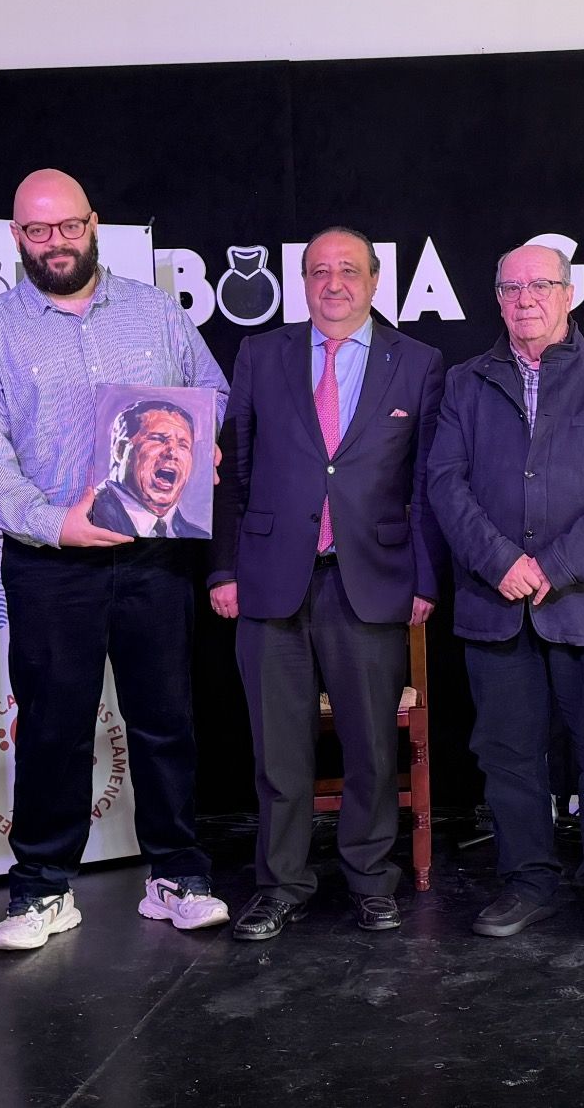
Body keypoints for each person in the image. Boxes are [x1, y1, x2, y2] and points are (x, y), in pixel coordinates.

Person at [0, 168, 230, 951]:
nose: (55, 243)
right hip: (50, 562)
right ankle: (41, 891)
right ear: (15, 237)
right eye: (38, 231)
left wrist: (203, 442)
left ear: (93, 223)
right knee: (51, 729)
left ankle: (178, 876)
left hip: (153, 556)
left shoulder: (152, 311)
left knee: (166, 720)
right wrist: (53, 522)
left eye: (68, 226)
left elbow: (214, 391)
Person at [210, 226, 445, 940]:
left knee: (372, 747)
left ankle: (372, 882)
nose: (333, 283)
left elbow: (428, 483)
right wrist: (224, 567)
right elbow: (230, 470)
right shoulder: (261, 354)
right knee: (278, 749)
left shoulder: (421, 362)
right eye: (319, 271)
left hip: (371, 578)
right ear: (302, 282)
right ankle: (282, 885)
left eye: (348, 271)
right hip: (270, 581)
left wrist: (425, 578)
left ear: (375, 282)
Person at [428, 244, 584, 942]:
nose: (525, 298)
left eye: (540, 285)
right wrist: (500, 561)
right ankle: (526, 879)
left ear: (570, 294)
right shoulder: (466, 383)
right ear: (497, 299)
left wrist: (556, 564)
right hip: (495, 604)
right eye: (511, 287)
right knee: (507, 754)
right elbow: (444, 480)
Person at [91, 399, 210, 539]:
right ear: (121, 451)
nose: (172, 453)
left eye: (183, 445)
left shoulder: (196, 536)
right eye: (158, 439)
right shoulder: (89, 518)